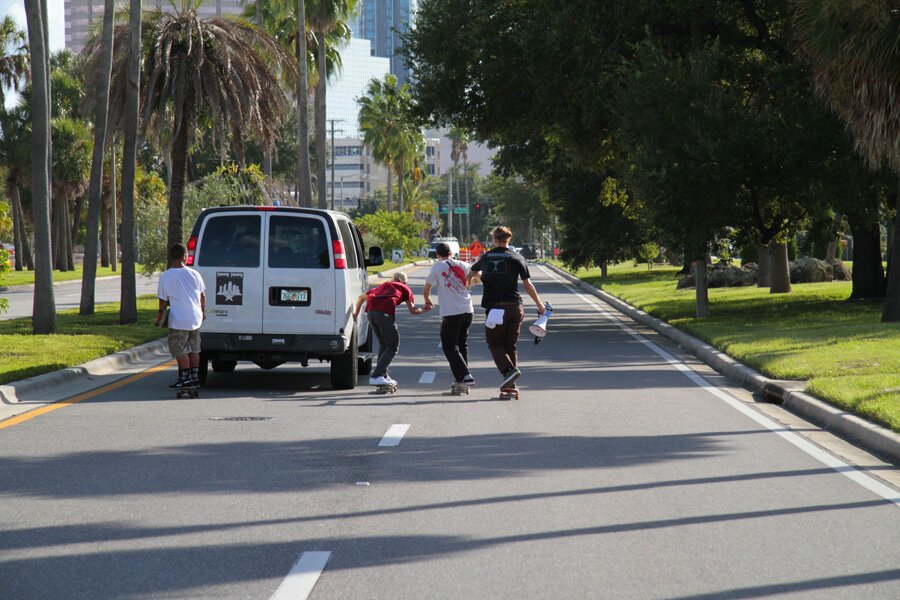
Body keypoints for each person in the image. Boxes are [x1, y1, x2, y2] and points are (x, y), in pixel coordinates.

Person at [469, 226, 545, 391]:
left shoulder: (487, 257)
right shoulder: (517, 257)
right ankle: (511, 383)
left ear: (495, 240)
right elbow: (527, 284)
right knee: (510, 345)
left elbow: (472, 272)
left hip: (496, 308)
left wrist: (470, 283)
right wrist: (539, 304)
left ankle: (509, 371)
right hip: (516, 308)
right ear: (508, 240)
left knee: (495, 343)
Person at [353, 271, 429, 386]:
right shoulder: (404, 288)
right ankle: (377, 376)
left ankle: (382, 375)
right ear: (402, 281)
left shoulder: (382, 286)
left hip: (371, 314)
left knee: (384, 344)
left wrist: (355, 313)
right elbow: (413, 310)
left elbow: (361, 298)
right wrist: (425, 309)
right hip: (384, 313)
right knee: (393, 346)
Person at [423, 242, 475, 386]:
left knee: (449, 346)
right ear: (450, 253)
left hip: (452, 312)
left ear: (437, 254)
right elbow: (475, 274)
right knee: (461, 344)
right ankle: (460, 378)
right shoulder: (462, 264)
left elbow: (427, 288)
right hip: (468, 310)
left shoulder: (437, 266)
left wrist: (427, 300)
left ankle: (466, 375)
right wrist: (469, 282)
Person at [156, 243, 207, 388]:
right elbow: (202, 296)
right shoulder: (195, 274)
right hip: (196, 318)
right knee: (194, 348)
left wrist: (160, 315)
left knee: (179, 348)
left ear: (171, 257)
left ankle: (185, 377)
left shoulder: (166, 276)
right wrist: (202, 313)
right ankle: (195, 377)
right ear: (185, 256)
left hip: (179, 319)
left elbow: (163, 301)